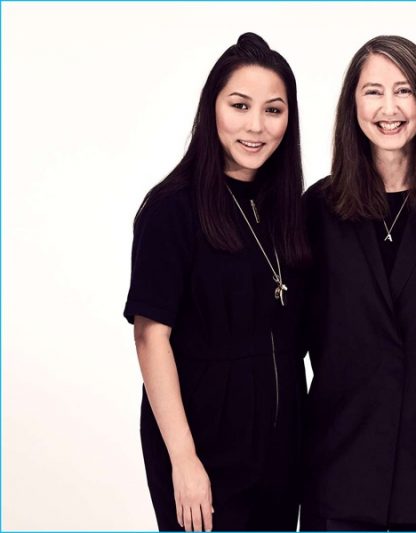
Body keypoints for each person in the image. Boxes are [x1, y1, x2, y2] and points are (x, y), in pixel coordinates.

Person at [123, 33, 308, 532]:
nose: (256, 126)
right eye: (239, 105)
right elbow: (150, 335)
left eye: (273, 110)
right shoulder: (172, 208)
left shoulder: (288, 209)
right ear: (212, 109)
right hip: (203, 445)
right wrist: (184, 461)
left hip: (281, 447)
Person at [301, 35, 416, 531]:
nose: (389, 107)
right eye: (373, 91)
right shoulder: (319, 208)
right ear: (352, 104)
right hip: (340, 467)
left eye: (403, 90)